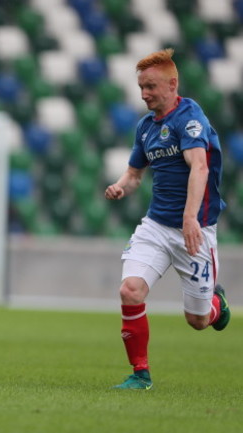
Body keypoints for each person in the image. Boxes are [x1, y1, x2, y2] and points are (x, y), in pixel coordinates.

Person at [105, 48, 230, 390]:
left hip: (196, 230)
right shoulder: (146, 127)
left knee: (198, 320)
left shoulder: (190, 118)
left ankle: (216, 304)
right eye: (141, 87)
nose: (144, 94)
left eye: (151, 86)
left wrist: (190, 218)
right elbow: (134, 175)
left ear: (173, 84)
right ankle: (140, 374)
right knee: (130, 290)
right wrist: (119, 186)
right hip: (157, 226)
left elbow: (199, 167)